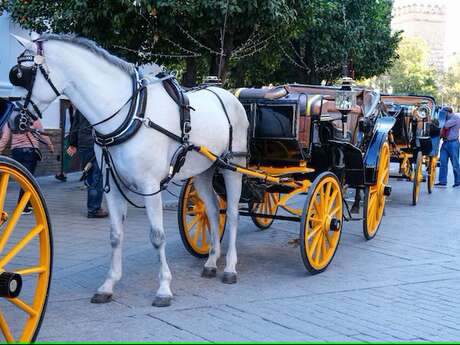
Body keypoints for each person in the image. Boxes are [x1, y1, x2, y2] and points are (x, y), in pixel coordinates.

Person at [0, 115, 54, 214]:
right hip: (30, 151)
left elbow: (5, 137)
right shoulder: (33, 117)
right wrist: (50, 146)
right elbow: (43, 134)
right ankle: (23, 206)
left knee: (22, 179)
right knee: (28, 179)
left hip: (16, 152)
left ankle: (28, 203)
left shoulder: (10, 118)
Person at [67, 108, 108, 218]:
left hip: (83, 144)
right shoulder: (97, 104)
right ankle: (94, 209)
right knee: (96, 177)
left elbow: (75, 125)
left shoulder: (81, 106)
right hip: (94, 143)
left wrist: (73, 143)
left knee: (90, 176)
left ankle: (93, 207)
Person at [435, 106, 460, 187]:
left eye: (443, 113)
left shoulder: (455, 118)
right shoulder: (447, 118)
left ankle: (458, 181)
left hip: (453, 143)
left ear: (447, 112)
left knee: (455, 163)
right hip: (445, 142)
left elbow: (445, 126)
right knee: (443, 163)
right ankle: (442, 181)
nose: (442, 114)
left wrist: (440, 119)